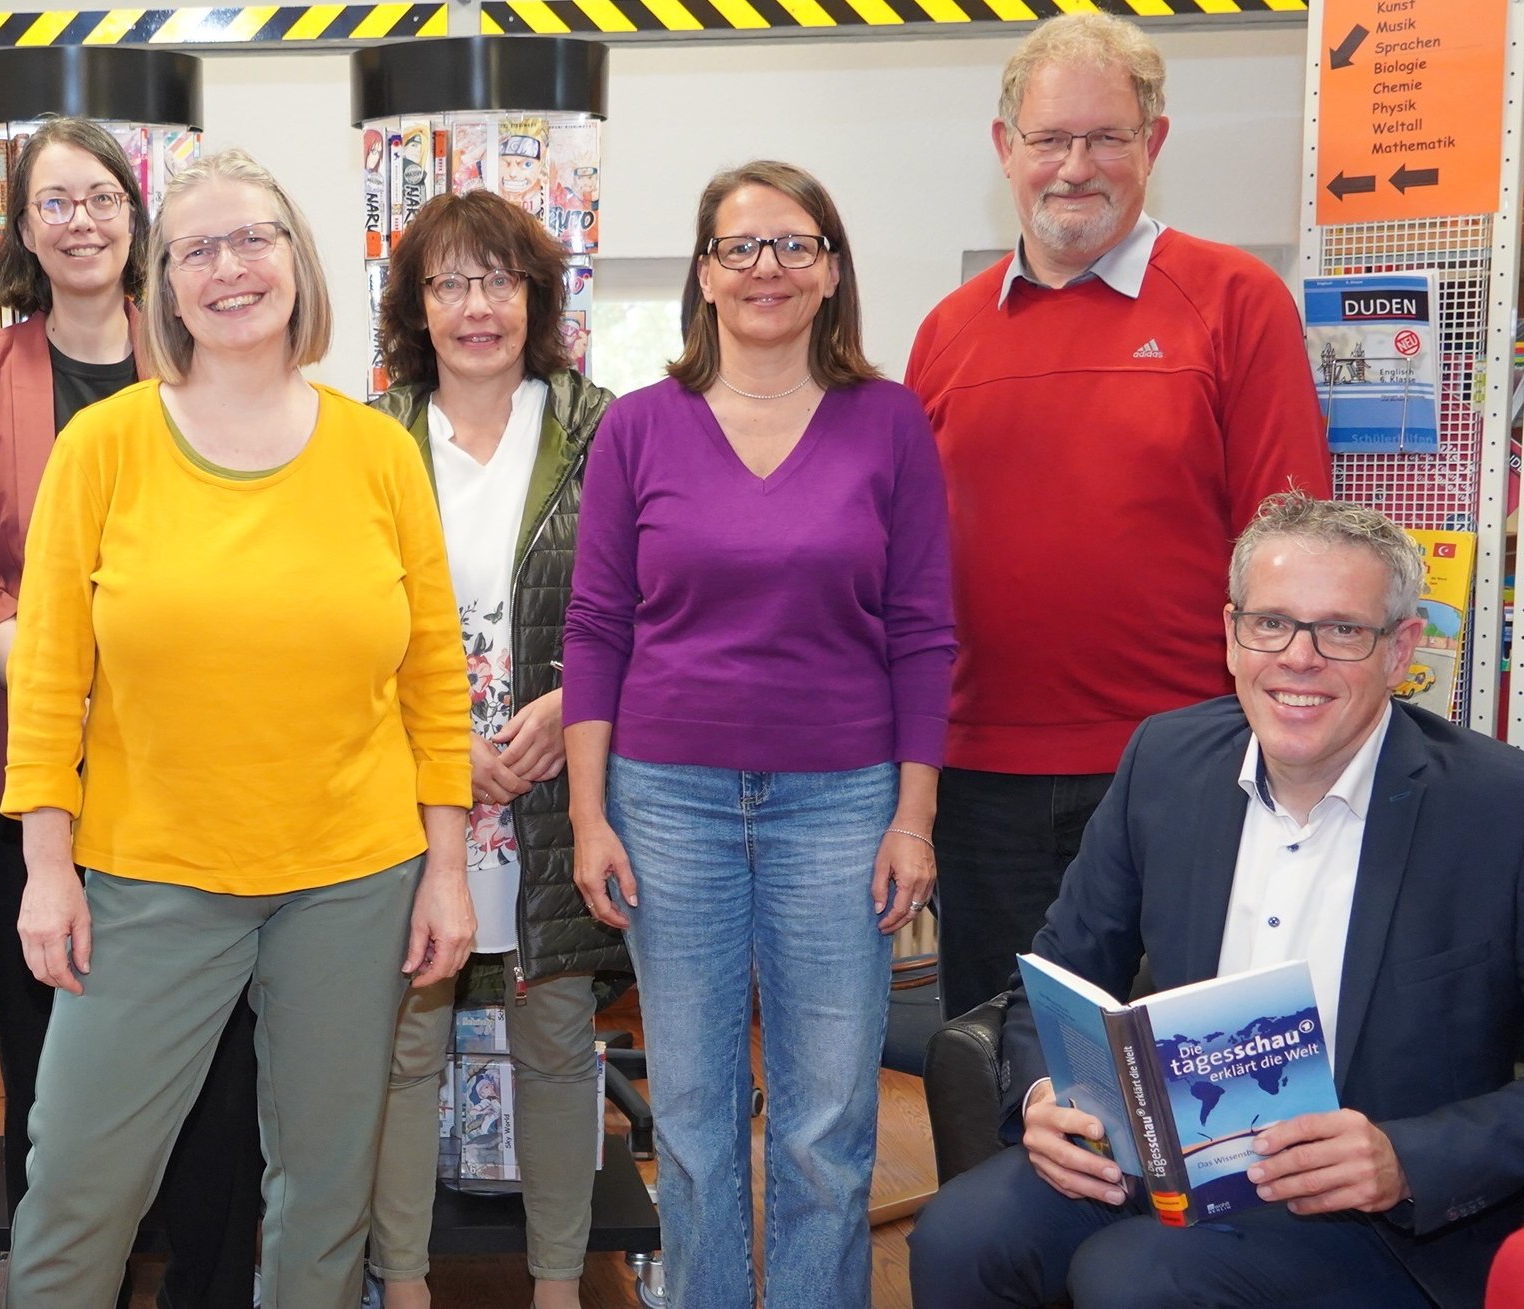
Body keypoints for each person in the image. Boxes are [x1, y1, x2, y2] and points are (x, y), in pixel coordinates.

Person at [908, 492, 1524, 1309]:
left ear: (1400, 649)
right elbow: (1058, 975)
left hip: (1375, 1218)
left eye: (1341, 630)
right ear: (1232, 634)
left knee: (1137, 1277)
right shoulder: (1164, 761)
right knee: (961, 1233)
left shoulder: (1512, 812)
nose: (1297, 657)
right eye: (1270, 622)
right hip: (1167, 1162)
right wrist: (1045, 1096)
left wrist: (1406, 1155)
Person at [0, 147, 475, 1308]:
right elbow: (49, 674)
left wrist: (447, 866)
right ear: (162, 284)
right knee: (75, 1188)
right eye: (197, 249)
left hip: (353, 878)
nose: (229, 268)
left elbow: (432, 677)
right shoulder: (102, 448)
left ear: (297, 261)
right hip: (146, 875)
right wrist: (46, 866)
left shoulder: (378, 450)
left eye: (253, 238)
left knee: (321, 1198)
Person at [563, 160, 954, 1309]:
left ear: (831, 272)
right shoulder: (639, 427)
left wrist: (913, 817)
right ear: (703, 274)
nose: (767, 269)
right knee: (687, 1122)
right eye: (741, 248)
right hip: (665, 800)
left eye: (794, 246)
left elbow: (923, 629)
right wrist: (589, 815)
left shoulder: (888, 424)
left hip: (840, 803)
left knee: (827, 1127)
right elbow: (595, 629)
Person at [906, 11, 1331, 1021]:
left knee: (1195, 1074)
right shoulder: (945, 334)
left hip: (1186, 763)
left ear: (1155, 143)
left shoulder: (1236, 300)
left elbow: (1294, 551)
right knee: (1003, 1063)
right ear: (1004, 148)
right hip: (980, 782)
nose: (1075, 166)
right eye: (1050, 139)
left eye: (1106, 137)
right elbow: (907, 571)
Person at [0, 116, 265, 1308]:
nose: (81, 220)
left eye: (101, 197)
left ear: (138, 217)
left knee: (223, 1075)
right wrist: (65, 671)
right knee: (54, 1069)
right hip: (34, 770)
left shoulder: (204, 363)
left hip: (197, 771)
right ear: (20, 230)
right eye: (53, 202)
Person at [363, 188, 625, 1309]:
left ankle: (560, 1283)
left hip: (552, 790)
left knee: (558, 1042)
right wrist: (433, 741)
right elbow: (333, 628)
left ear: (536, 294)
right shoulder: (364, 440)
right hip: (410, 795)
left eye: (499, 279)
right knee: (402, 1052)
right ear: (414, 308)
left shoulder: (604, 426)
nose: (476, 306)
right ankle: (406, 1281)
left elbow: (655, 606)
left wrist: (574, 704)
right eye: (448, 282)